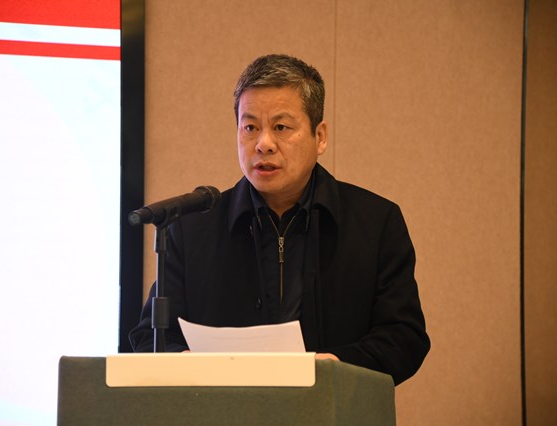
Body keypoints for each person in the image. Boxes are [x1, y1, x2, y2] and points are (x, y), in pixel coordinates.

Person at [129, 54, 430, 385]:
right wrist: (187, 364)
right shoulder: (192, 228)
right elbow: (149, 339)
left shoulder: (375, 223)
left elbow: (404, 339)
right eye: (250, 128)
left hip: (332, 406)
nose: (264, 144)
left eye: (281, 127)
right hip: (220, 408)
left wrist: (336, 366)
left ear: (320, 136)